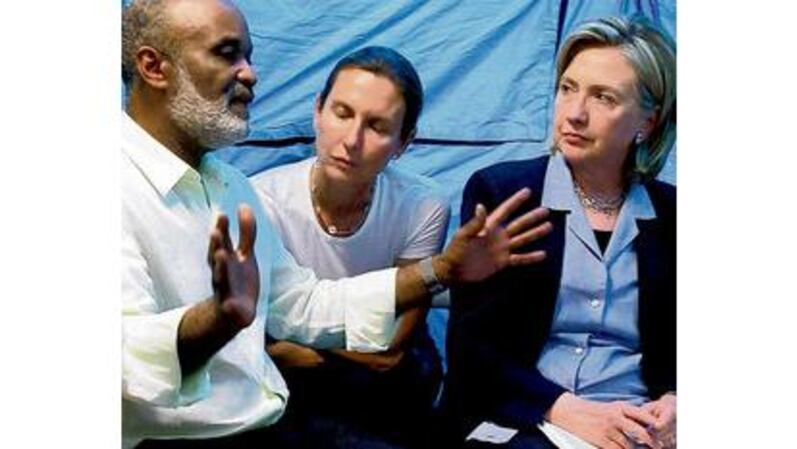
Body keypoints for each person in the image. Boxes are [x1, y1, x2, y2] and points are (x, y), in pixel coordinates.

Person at [120, 1, 552, 448]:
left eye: (249, 56)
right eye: (227, 53)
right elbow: (121, 358)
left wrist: (440, 271)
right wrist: (218, 319)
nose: (250, 74)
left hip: (267, 419)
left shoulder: (228, 185)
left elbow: (303, 304)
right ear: (154, 66)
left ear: (405, 143)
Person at [441, 16, 676, 449]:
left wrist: (680, 403)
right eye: (568, 89)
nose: (574, 113)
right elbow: (472, 349)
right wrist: (567, 409)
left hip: (640, 422)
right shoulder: (503, 193)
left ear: (649, 122)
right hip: (528, 416)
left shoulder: (675, 216)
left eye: (603, 97)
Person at [252, 46, 447, 448]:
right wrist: (283, 352)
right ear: (318, 111)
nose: (351, 140)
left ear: (404, 142)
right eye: (342, 113)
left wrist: (300, 348)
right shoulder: (263, 199)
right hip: (292, 379)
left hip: (388, 378)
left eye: (377, 126)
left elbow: (391, 351)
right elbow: (262, 343)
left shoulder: (422, 205)